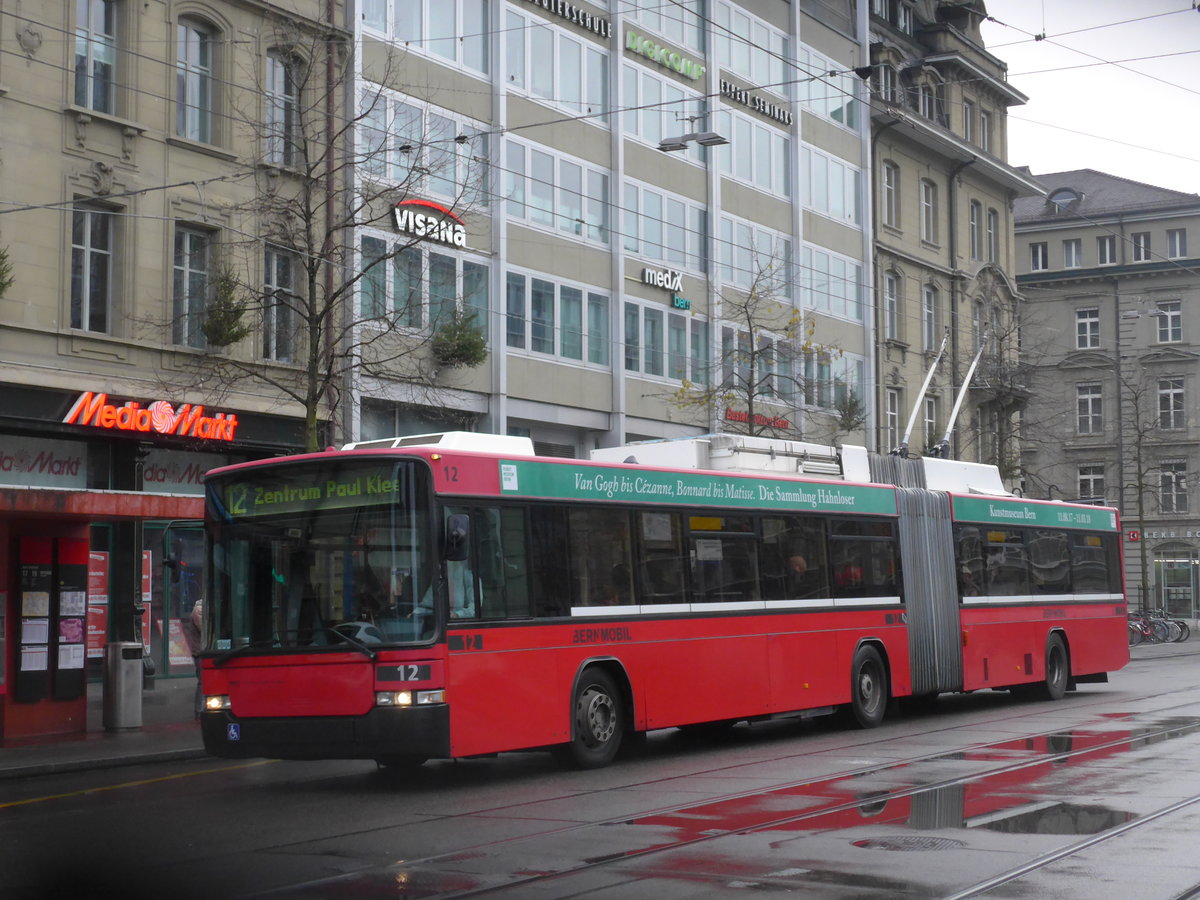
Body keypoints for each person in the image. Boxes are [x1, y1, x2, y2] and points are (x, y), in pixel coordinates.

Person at [182, 598, 204, 718]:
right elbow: (203, 628)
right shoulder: (199, 610)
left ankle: (200, 709)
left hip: (201, 650)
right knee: (202, 682)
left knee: (203, 681)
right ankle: (199, 710)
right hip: (200, 651)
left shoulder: (200, 610)